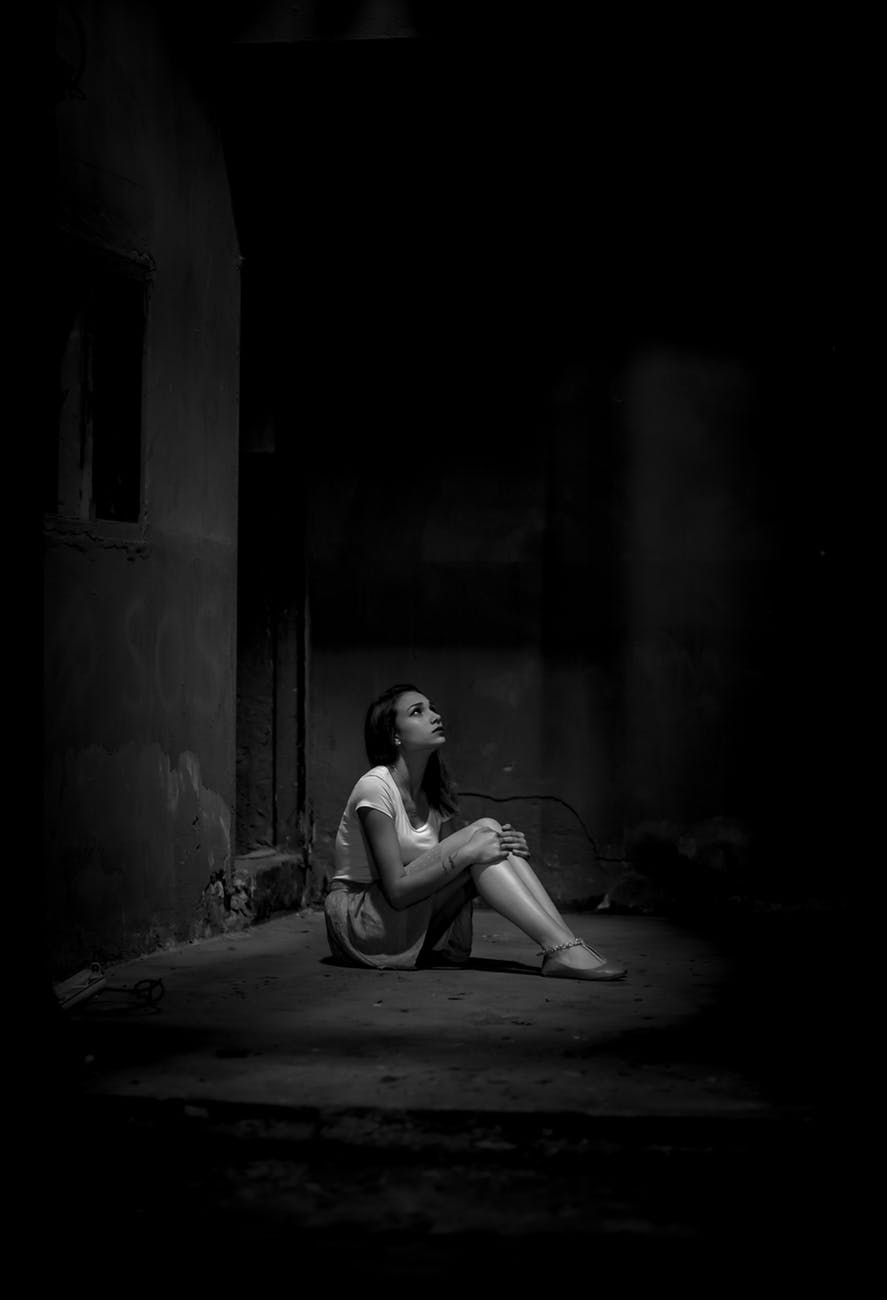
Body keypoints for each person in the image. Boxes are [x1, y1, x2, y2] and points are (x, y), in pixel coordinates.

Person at [323, 683, 627, 981]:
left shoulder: (432, 792)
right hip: (363, 922)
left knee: (490, 831)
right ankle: (562, 948)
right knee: (481, 836)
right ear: (395, 735)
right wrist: (471, 852)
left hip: (406, 921)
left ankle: (564, 944)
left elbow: (450, 867)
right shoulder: (375, 787)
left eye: (433, 709)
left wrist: (501, 847)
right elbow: (398, 892)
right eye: (418, 712)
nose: (435, 716)